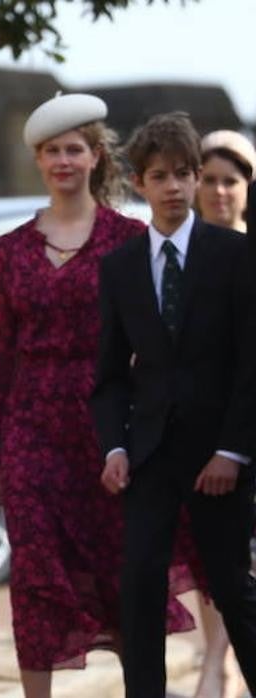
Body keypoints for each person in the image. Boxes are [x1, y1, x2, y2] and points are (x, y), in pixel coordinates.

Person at [0, 93, 196, 697]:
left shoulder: (130, 239)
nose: (63, 160)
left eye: (74, 148)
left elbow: (157, 344)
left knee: (121, 575)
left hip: (110, 430)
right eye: (52, 151)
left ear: (96, 156)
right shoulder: (10, 249)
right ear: (39, 160)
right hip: (30, 430)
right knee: (37, 579)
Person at [92, 111, 256, 697]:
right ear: (140, 182)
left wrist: (234, 452)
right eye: (160, 175)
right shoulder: (120, 269)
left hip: (220, 457)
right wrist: (114, 445)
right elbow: (109, 376)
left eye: (184, 174)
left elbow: (249, 364)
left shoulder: (235, 255)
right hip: (149, 455)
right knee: (138, 587)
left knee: (234, 589)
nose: (175, 187)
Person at [191, 128, 253, 698]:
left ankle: (220, 661)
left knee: (239, 567)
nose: (218, 192)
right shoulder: (178, 257)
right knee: (207, 561)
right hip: (191, 434)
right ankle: (215, 658)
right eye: (208, 180)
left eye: (230, 181)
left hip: (243, 435)